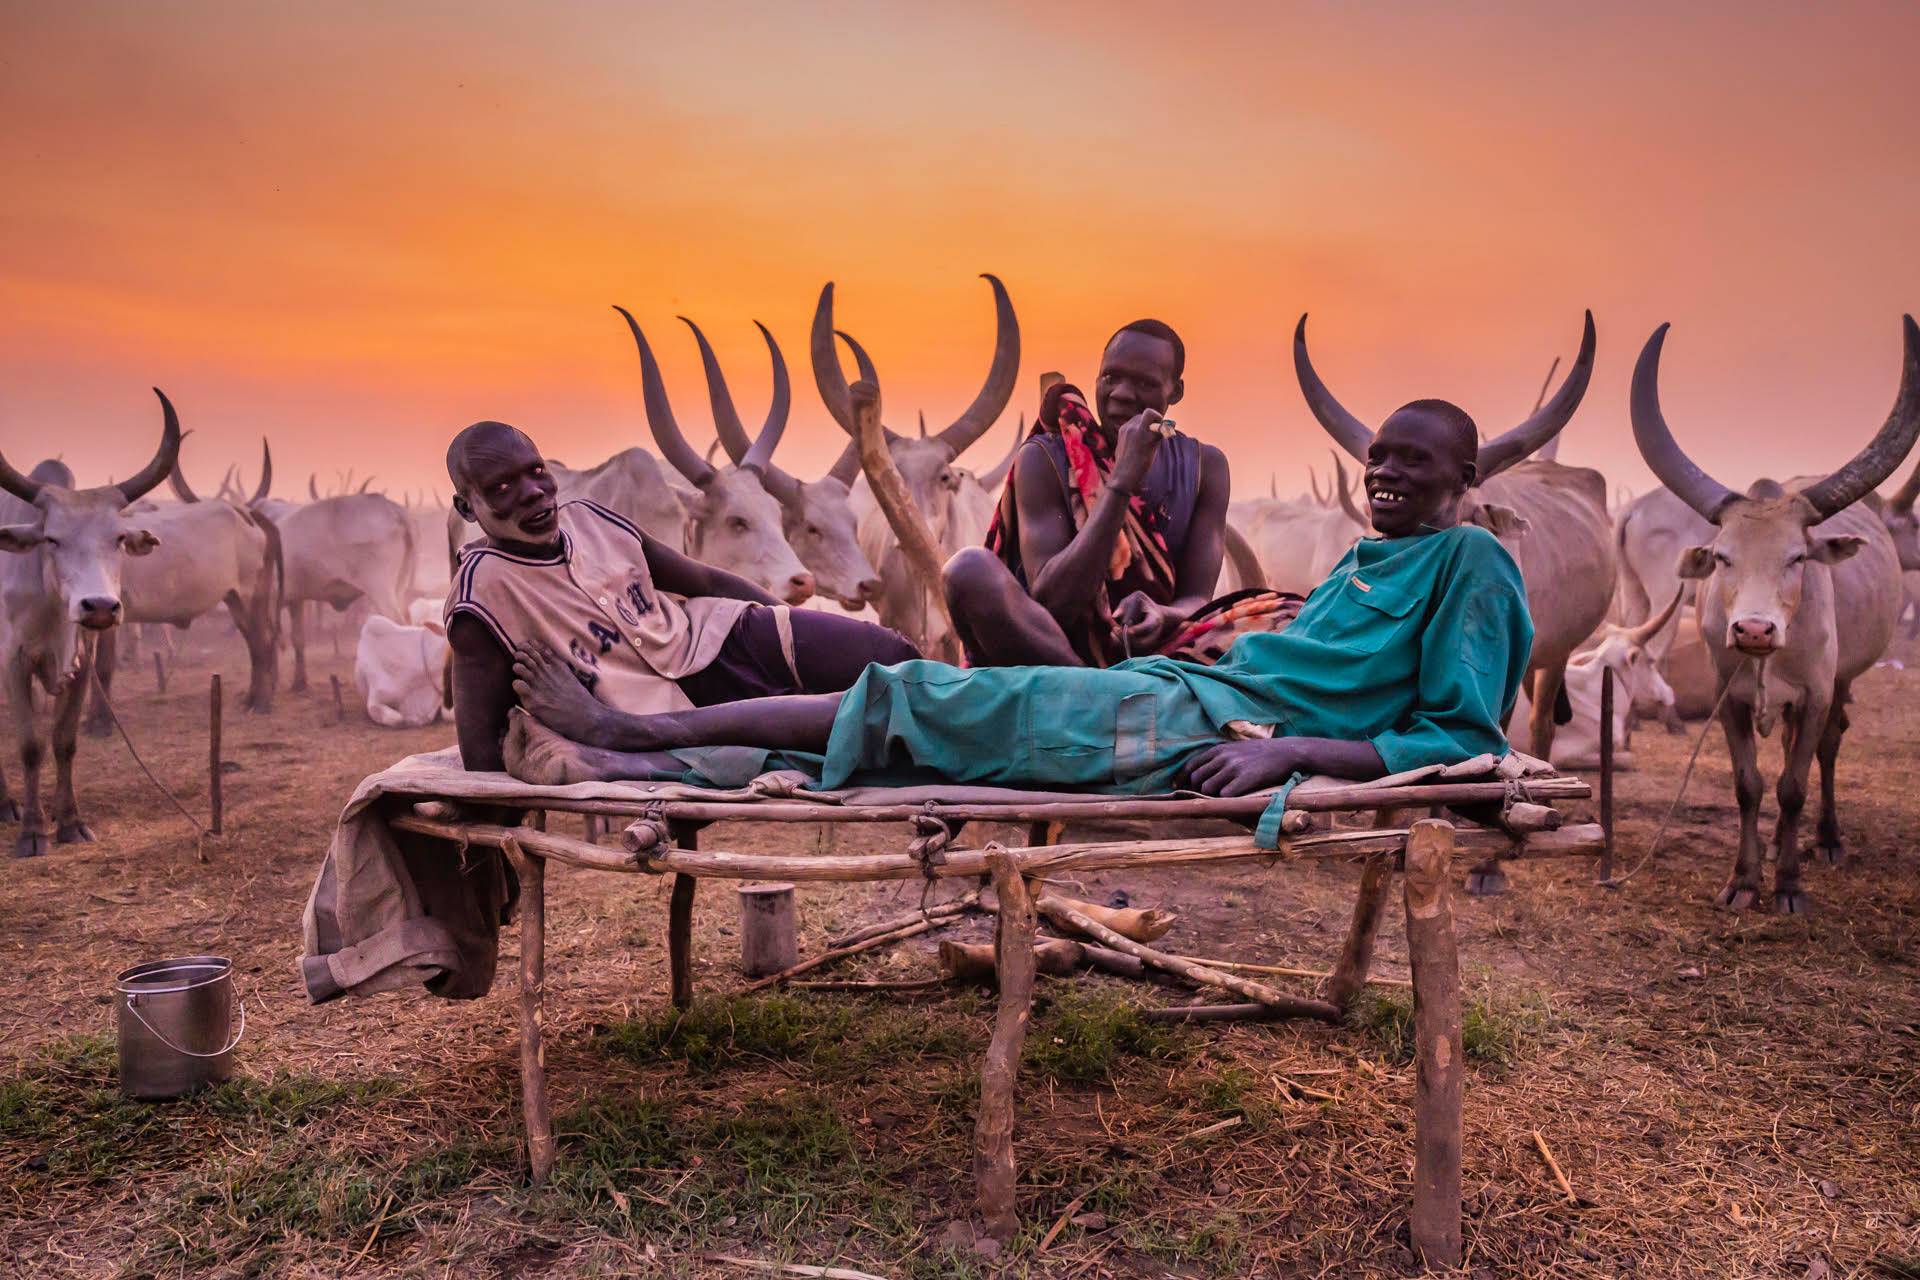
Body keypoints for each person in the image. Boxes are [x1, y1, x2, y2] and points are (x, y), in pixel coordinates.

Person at [503, 400, 1535, 838]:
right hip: (1188, 694)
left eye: (1414, 458)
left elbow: (1456, 737)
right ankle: (653, 758)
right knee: (923, 723)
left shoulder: (1474, 561)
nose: (1386, 470)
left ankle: (639, 733)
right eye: (1381, 454)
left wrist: (1291, 754)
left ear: (1467, 474)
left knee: (917, 699)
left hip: (1197, 733)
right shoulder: (1371, 557)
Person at [442, 420, 918, 772]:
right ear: (468, 507)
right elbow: (480, 753)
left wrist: (785, 627)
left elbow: (706, 583)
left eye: (536, 471)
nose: (532, 493)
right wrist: (561, 726)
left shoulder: (590, 517)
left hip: (721, 638)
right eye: (502, 488)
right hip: (665, 718)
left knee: (894, 659)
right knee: (853, 728)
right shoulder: (480, 597)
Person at [941, 321, 1239, 667]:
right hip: (1057, 654)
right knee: (967, 570)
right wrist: (1120, 484)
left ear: (1175, 391)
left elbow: (1197, 598)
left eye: (1145, 383)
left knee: (1284, 615)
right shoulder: (1045, 458)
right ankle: (1097, 688)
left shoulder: (1206, 466)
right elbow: (1054, 602)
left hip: (1162, 647)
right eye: (1111, 378)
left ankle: (1106, 689)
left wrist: (1163, 613)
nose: (1122, 394)